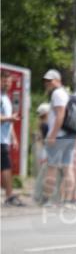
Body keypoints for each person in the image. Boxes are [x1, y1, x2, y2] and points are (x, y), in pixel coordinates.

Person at [42, 69, 75, 205]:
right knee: (67, 167)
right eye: (46, 81)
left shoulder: (57, 94)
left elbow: (60, 115)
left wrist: (53, 135)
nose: (47, 83)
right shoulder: (66, 93)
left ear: (57, 80)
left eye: (50, 80)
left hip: (60, 136)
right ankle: (67, 200)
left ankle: (48, 199)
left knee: (52, 167)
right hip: (70, 135)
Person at [1, 71, 24, 206]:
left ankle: (9, 195)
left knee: (6, 167)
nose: (7, 84)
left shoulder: (6, 98)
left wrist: (13, 137)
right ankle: (9, 196)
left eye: (9, 82)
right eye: (4, 81)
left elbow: (9, 122)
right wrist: (10, 118)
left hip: (4, 139)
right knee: (6, 167)